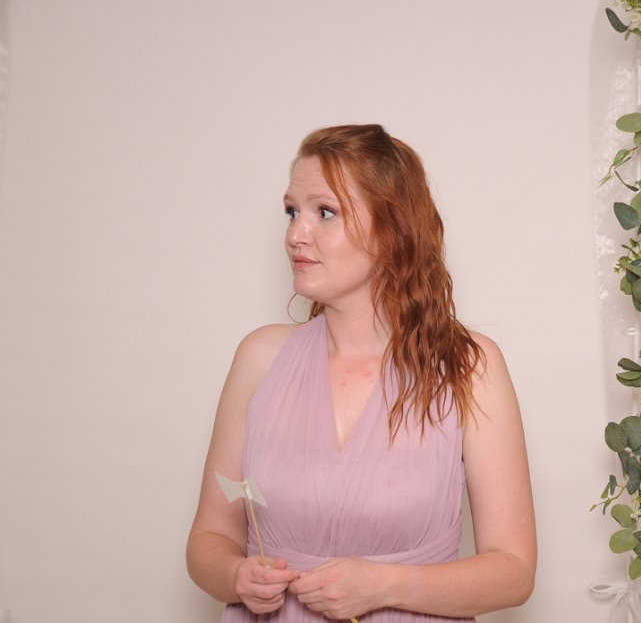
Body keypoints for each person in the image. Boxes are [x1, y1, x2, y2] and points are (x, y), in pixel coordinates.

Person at [186, 124, 536, 622]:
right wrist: (235, 575)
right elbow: (209, 538)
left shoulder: (470, 367)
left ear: (391, 229)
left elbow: (514, 572)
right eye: (292, 211)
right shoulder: (258, 359)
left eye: (324, 212)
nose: (295, 234)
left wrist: (386, 585)